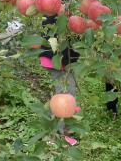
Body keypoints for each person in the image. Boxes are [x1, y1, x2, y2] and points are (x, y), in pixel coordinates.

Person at [38, 15, 80, 146]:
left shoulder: (66, 15)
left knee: (66, 94)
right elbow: (55, 43)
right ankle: (58, 134)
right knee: (62, 96)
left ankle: (63, 130)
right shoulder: (57, 18)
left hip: (64, 60)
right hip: (57, 61)